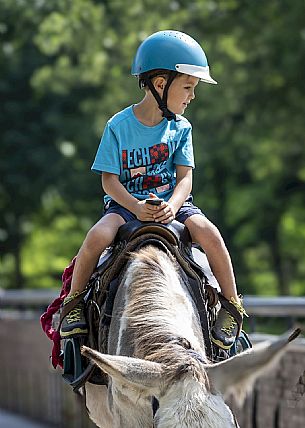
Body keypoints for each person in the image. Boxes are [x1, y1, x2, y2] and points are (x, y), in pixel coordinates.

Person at [60, 30, 247, 350]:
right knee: (96, 238)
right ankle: (74, 304)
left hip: (175, 204)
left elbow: (185, 178)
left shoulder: (182, 128)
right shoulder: (118, 126)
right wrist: (135, 208)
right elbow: (109, 181)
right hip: (124, 207)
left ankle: (232, 306)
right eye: (188, 87)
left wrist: (174, 205)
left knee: (209, 233)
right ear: (161, 84)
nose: (192, 96)